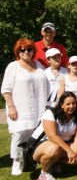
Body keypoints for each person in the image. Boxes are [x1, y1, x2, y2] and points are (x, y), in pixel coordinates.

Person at [1, 39, 49, 176]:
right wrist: (11, 107)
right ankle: (17, 161)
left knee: (36, 134)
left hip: (39, 106)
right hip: (20, 107)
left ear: (33, 51)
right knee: (19, 134)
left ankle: (32, 159)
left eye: (29, 49)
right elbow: (6, 89)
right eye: (22, 50)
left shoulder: (39, 65)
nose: (26, 52)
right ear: (18, 52)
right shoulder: (13, 66)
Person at [32, 92, 77, 180]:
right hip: (42, 144)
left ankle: (53, 164)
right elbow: (52, 136)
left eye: (73, 103)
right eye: (68, 104)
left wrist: (74, 152)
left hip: (61, 145)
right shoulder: (50, 113)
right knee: (55, 148)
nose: (71, 106)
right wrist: (69, 151)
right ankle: (43, 173)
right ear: (61, 105)